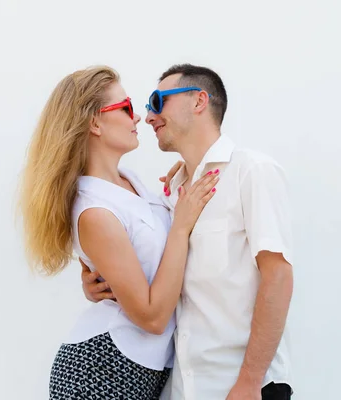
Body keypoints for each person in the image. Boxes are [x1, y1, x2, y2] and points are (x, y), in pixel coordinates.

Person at [83, 64, 294, 400]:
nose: (148, 116)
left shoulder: (251, 171)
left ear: (199, 101)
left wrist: (250, 382)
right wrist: (98, 282)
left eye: (157, 101)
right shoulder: (169, 194)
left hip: (246, 388)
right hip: (184, 389)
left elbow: (279, 277)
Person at [18, 65, 219, 399]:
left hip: (142, 370)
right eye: (125, 108)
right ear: (94, 123)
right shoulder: (95, 211)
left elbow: (149, 259)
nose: (137, 117)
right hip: (101, 371)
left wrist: (184, 175)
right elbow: (152, 318)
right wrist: (181, 226)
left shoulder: (132, 184)